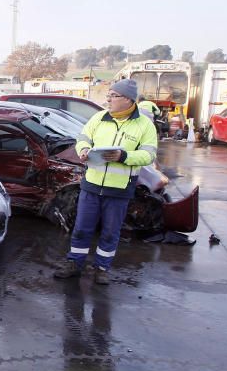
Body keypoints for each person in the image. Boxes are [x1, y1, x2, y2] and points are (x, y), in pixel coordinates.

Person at [53, 78, 158, 285]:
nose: (108, 99)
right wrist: (83, 149)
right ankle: (74, 263)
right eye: (108, 95)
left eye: (113, 95)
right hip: (91, 186)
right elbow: (82, 138)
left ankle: (101, 268)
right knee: (82, 228)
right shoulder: (99, 118)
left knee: (110, 232)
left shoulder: (144, 125)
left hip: (119, 190)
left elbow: (149, 155)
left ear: (127, 100)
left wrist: (123, 156)